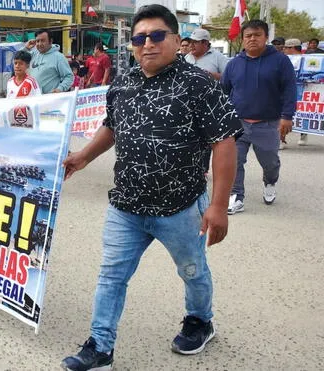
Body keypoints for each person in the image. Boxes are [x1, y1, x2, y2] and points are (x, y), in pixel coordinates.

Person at [60, 5, 242, 370]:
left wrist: (218, 205)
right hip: (125, 206)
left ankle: (200, 321)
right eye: (140, 38)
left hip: (180, 207)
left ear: (177, 40)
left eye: (157, 36)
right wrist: (83, 157)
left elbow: (224, 142)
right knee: (111, 275)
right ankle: (100, 347)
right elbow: (112, 127)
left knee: (192, 271)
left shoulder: (200, 86)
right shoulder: (123, 82)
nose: (148, 44)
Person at [220, 20, 296, 215]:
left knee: (270, 162)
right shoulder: (234, 64)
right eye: (248, 36)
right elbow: (223, 92)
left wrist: (287, 116)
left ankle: (270, 182)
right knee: (235, 160)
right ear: (243, 39)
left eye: (257, 35)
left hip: (268, 124)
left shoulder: (280, 61)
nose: (252, 39)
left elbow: (289, 89)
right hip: (238, 123)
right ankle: (236, 196)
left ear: (265, 37)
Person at [283, 38, 308, 147]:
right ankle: (281, 138)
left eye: (286, 48)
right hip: (287, 90)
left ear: (292, 48)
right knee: (283, 113)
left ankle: (304, 134)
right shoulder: (283, 59)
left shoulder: (307, 59)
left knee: (305, 112)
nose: (284, 50)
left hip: (304, 90)